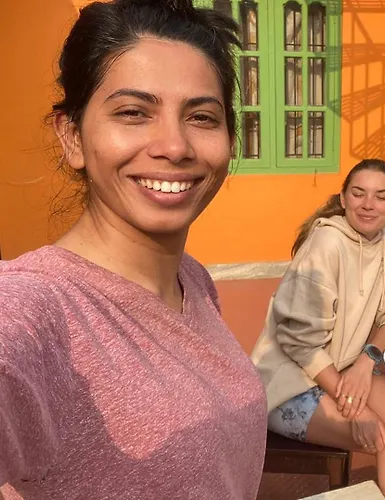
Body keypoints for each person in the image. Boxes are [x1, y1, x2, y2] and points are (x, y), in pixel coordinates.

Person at [0, 1, 266, 498]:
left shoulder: (193, 280)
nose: (175, 146)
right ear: (72, 136)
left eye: (202, 117)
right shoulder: (39, 308)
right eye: (133, 113)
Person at [251, 159, 385, 500]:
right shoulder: (326, 244)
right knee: (383, 432)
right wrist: (356, 406)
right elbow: (300, 344)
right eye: (358, 193)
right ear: (343, 198)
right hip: (290, 383)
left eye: (381, 196)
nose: (368, 204)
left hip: (343, 369)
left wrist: (368, 360)